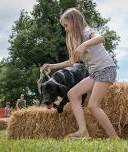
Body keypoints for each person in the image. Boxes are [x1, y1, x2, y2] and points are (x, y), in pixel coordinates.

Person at [43, 8, 118, 139]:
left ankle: (115, 138)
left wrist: (84, 45)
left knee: (93, 105)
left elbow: (101, 38)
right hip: (95, 74)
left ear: (73, 21)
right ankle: (83, 132)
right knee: (72, 94)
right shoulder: (77, 40)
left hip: (106, 69)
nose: (65, 29)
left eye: (66, 25)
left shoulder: (86, 31)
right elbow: (71, 62)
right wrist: (52, 66)